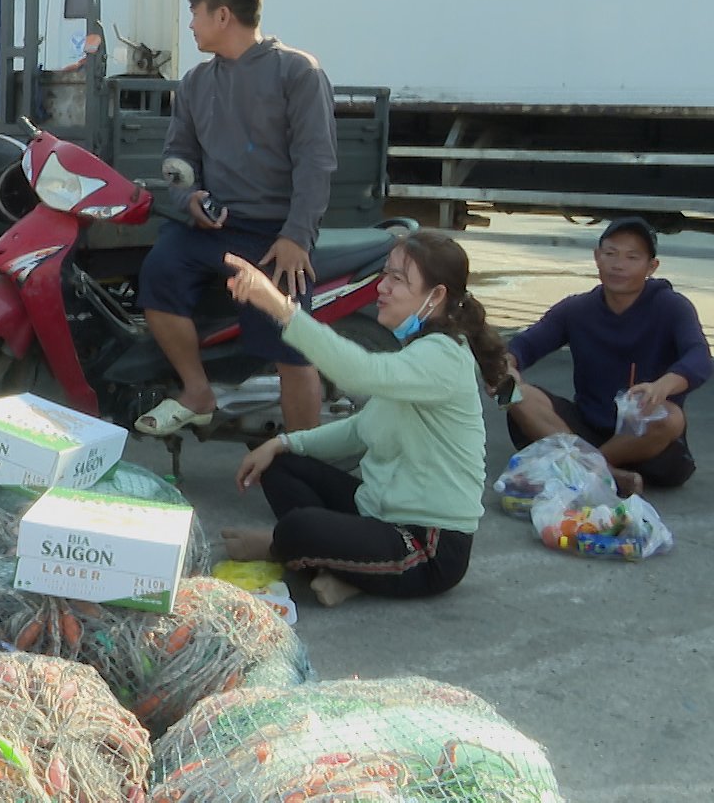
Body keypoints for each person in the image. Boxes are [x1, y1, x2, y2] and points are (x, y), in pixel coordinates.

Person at [219, 231, 505, 605]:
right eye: (385, 275)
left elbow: (358, 372)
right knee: (280, 464)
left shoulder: (444, 357)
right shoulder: (417, 350)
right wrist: (281, 442)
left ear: (436, 296)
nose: (382, 287)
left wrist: (279, 306)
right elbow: (360, 428)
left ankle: (286, 550)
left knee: (297, 529)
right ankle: (347, 572)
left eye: (398, 279)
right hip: (378, 515)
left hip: (427, 545)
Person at [134, 0, 337, 437]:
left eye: (194, 12)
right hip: (215, 228)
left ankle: (303, 455)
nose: (190, 23)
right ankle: (197, 390)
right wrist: (189, 199)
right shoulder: (195, 83)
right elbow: (178, 156)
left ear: (222, 16)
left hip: (275, 235)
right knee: (157, 274)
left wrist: (296, 236)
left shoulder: (297, 72)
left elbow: (317, 162)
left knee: (291, 347)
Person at [504, 217, 706, 494]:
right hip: (585, 427)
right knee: (515, 394)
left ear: (651, 267)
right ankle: (604, 472)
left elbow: (699, 357)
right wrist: (508, 365)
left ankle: (582, 467)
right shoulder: (577, 308)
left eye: (632, 257)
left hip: (643, 436)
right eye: (610, 254)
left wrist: (663, 386)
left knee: (670, 418)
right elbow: (525, 345)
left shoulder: (672, 307)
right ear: (597, 257)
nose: (618, 265)